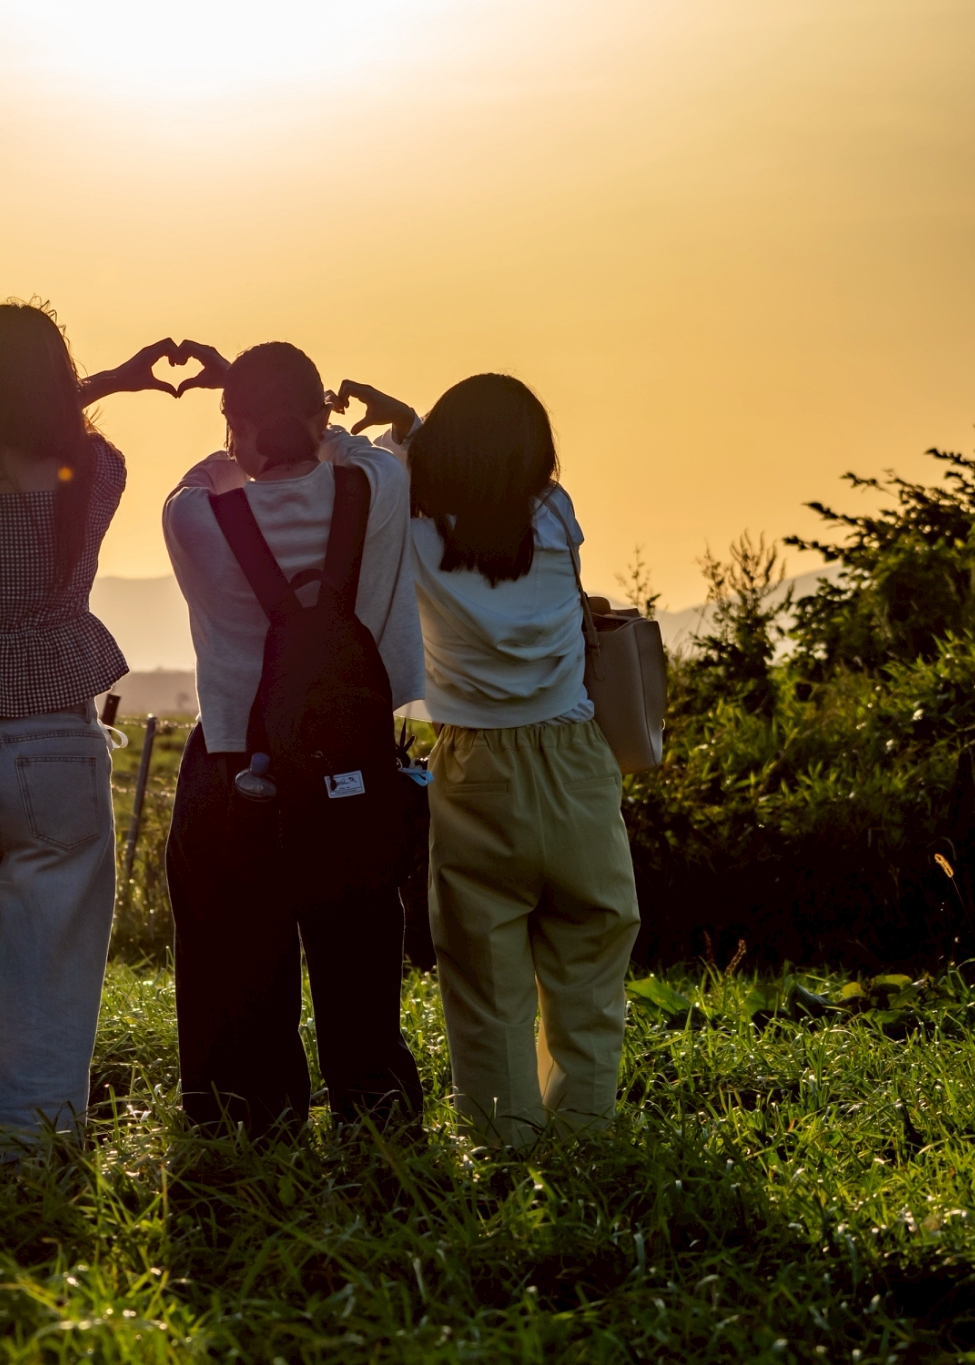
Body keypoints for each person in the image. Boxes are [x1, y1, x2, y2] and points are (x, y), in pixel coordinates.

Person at [0, 300, 180, 1155]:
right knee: (51, 973)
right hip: (55, 739)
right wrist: (111, 380)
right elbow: (56, 424)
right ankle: (32, 1156)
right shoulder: (94, 472)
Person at [160, 340, 428, 1133]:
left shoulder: (195, 516)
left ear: (235, 423)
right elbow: (364, 447)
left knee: (234, 960)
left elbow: (208, 472)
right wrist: (316, 420)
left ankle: (248, 1117)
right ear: (323, 414)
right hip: (353, 764)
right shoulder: (379, 487)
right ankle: (375, 1114)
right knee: (360, 954)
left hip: (240, 766)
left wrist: (238, 411)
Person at [407, 373, 641, 1149]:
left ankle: (503, 1143)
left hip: (475, 764)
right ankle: (586, 1139)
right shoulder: (555, 515)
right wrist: (417, 425)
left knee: (485, 980)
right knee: (590, 965)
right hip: (575, 755)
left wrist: (403, 429)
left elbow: (385, 469)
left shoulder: (414, 534)